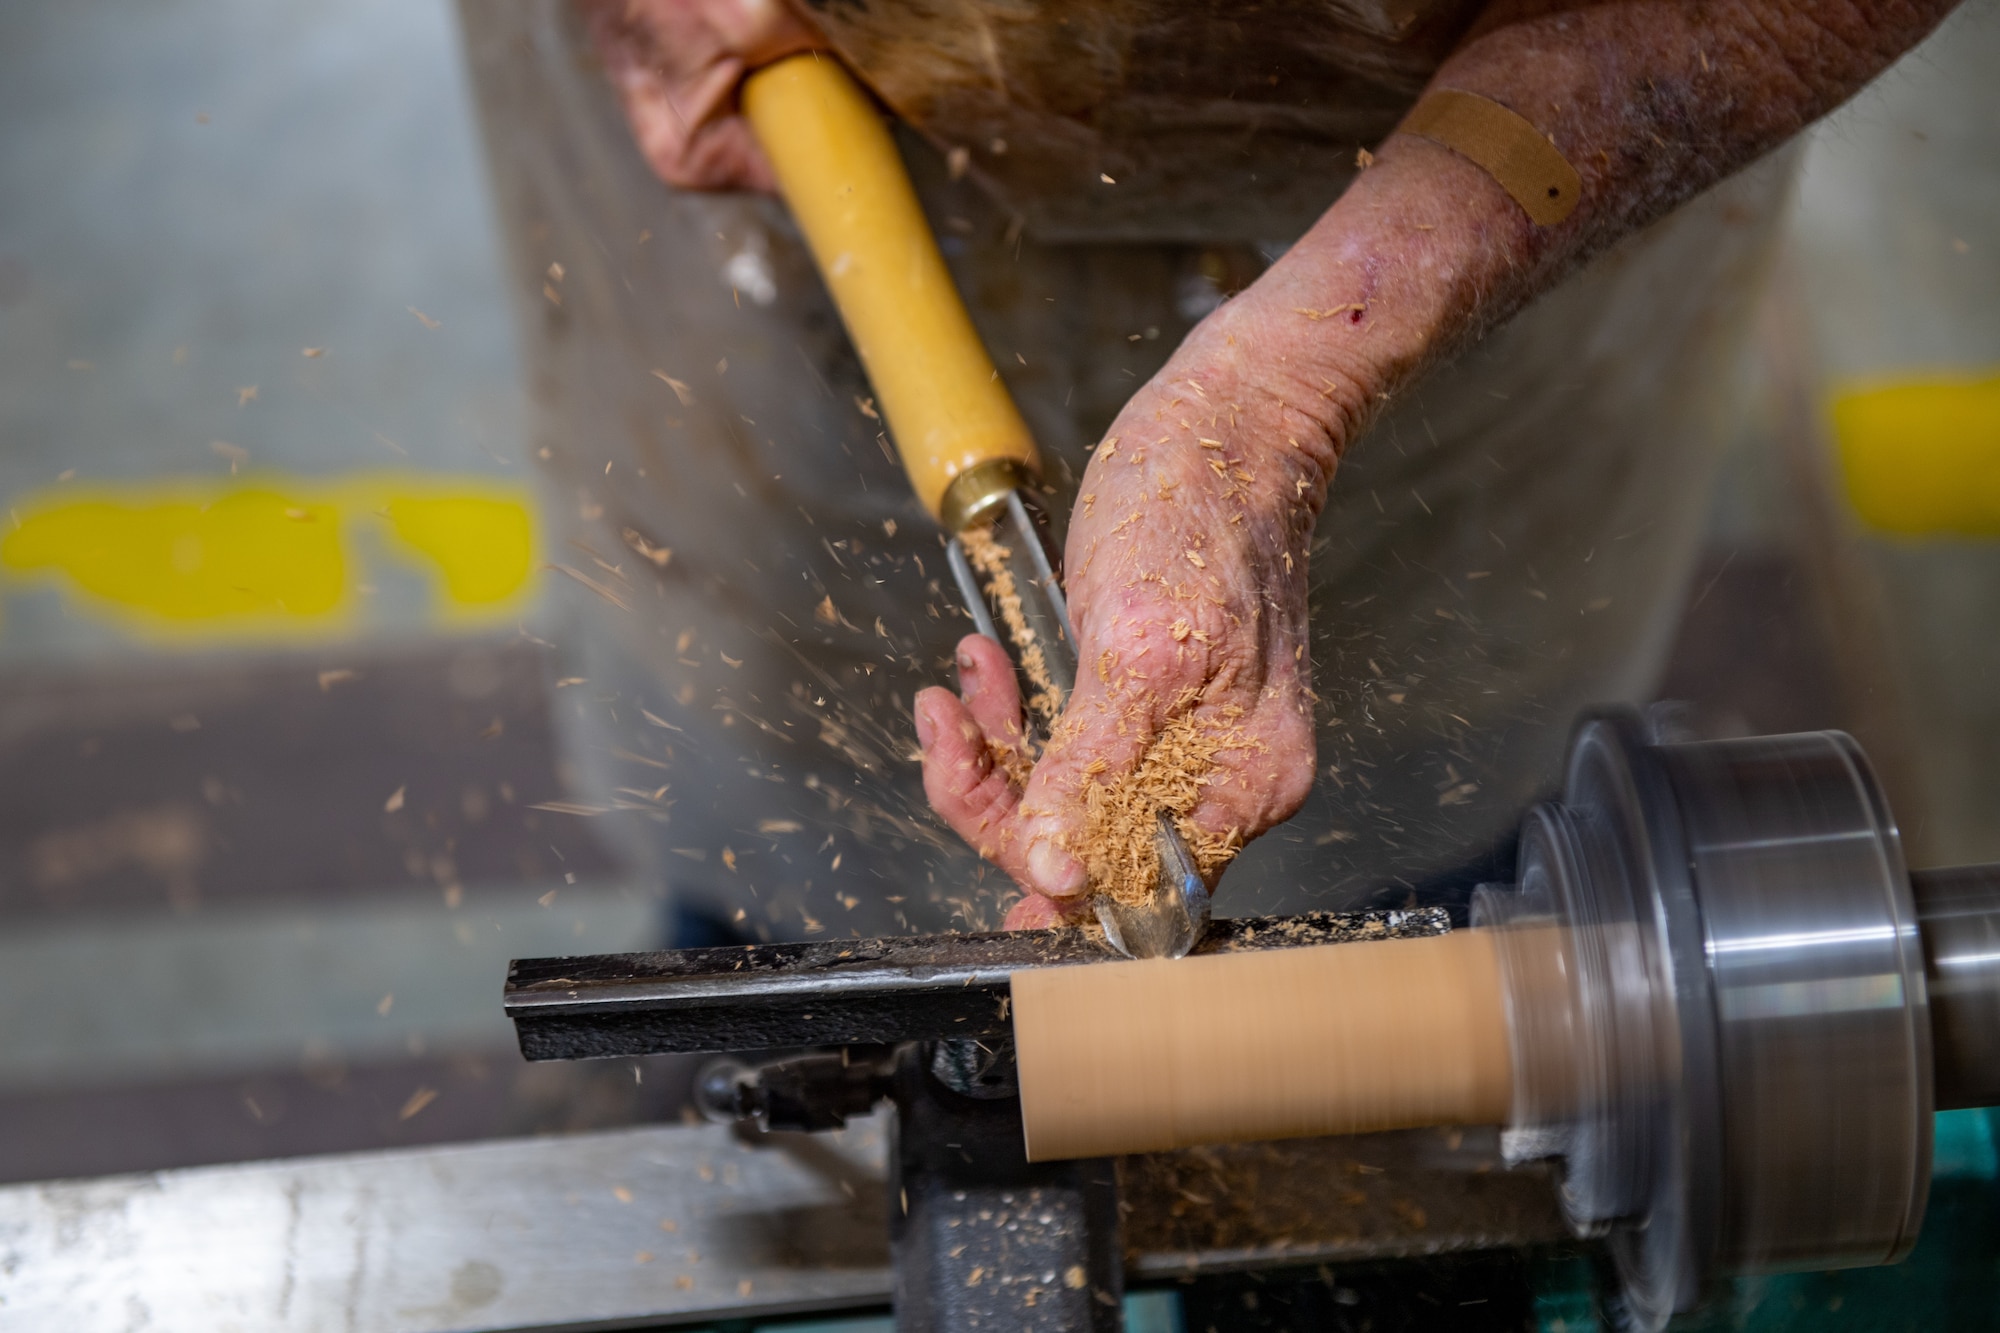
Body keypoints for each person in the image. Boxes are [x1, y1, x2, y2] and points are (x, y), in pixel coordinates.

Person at [459, 0, 1955, 942]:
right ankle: (749, 977)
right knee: (779, 834)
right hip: (781, 126)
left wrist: (1283, 397)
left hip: (1483, 175)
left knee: (1408, 865)